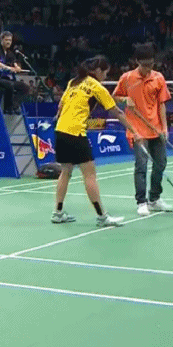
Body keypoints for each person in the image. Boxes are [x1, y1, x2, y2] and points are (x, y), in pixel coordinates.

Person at [52, 55, 140, 227]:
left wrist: (59, 117)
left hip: (60, 131)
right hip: (75, 133)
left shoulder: (73, 82)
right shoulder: (96, 87)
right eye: (105, 73)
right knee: (89, 174)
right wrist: (134, 130)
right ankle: (102, 217)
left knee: (65, 172)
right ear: (98, 70)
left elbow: (60, 107)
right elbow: (117, 112)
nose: (105, 77)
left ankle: (57, 213)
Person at [112, 46, 173, 216]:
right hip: (137, 129)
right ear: (137, 62)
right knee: (141, 166)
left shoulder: (158, 77)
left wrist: (164, 127)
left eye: (151, 64)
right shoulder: (127, 78)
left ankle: (154, 199)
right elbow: (114, 97)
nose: (148, 68)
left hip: (156, 128)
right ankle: (141, 202)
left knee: (161, 164)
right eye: (145, 65)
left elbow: (161, 104)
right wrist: (125, 99)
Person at [0, 31, 30, 114]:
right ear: (1, 40)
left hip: (5, 79)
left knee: (25, 87)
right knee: (9, 85)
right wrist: (10, 68)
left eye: (10, 40)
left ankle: (14, 106)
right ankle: (7, 108)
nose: (8, 42)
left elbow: (15, 65)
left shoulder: (10, 53)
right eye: (6, 40)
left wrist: (17, 68)